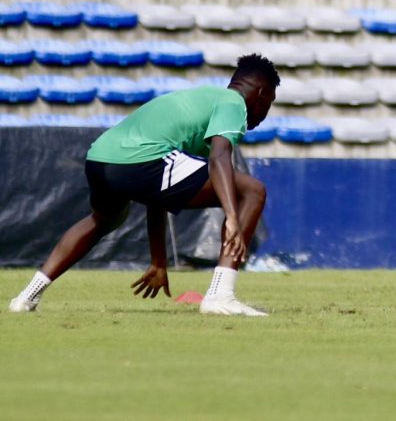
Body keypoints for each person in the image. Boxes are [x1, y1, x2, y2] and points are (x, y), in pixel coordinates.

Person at [9, 54, 280, 317]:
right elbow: (219, 157)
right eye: (270, 102)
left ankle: (27, 295)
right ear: (260, 94)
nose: (265, 114)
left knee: (103, 220)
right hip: (142, 160)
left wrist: (159, 261)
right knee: (252, 191)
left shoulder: (201, 101)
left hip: (100, 158)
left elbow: (158, 194)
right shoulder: (233, 103)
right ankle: (221, 296)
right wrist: (232, 216)